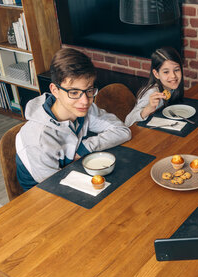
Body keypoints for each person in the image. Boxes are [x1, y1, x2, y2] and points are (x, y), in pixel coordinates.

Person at [16, 48, 131, 191]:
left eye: (89, 90)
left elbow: (123, 131)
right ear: (55, 90)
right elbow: (54, 187)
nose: (85, 101)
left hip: (71, 174)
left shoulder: (84, 109)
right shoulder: (38, 138)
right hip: (40, 197)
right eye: (74, 92)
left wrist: (85, 148)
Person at [124, 47, 184, 127]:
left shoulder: (171, 87)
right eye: (166, 72)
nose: (173, 76)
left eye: (176, 70)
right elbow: (127, 122)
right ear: (156, 74)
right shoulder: (151, 93)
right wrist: (148, 109)